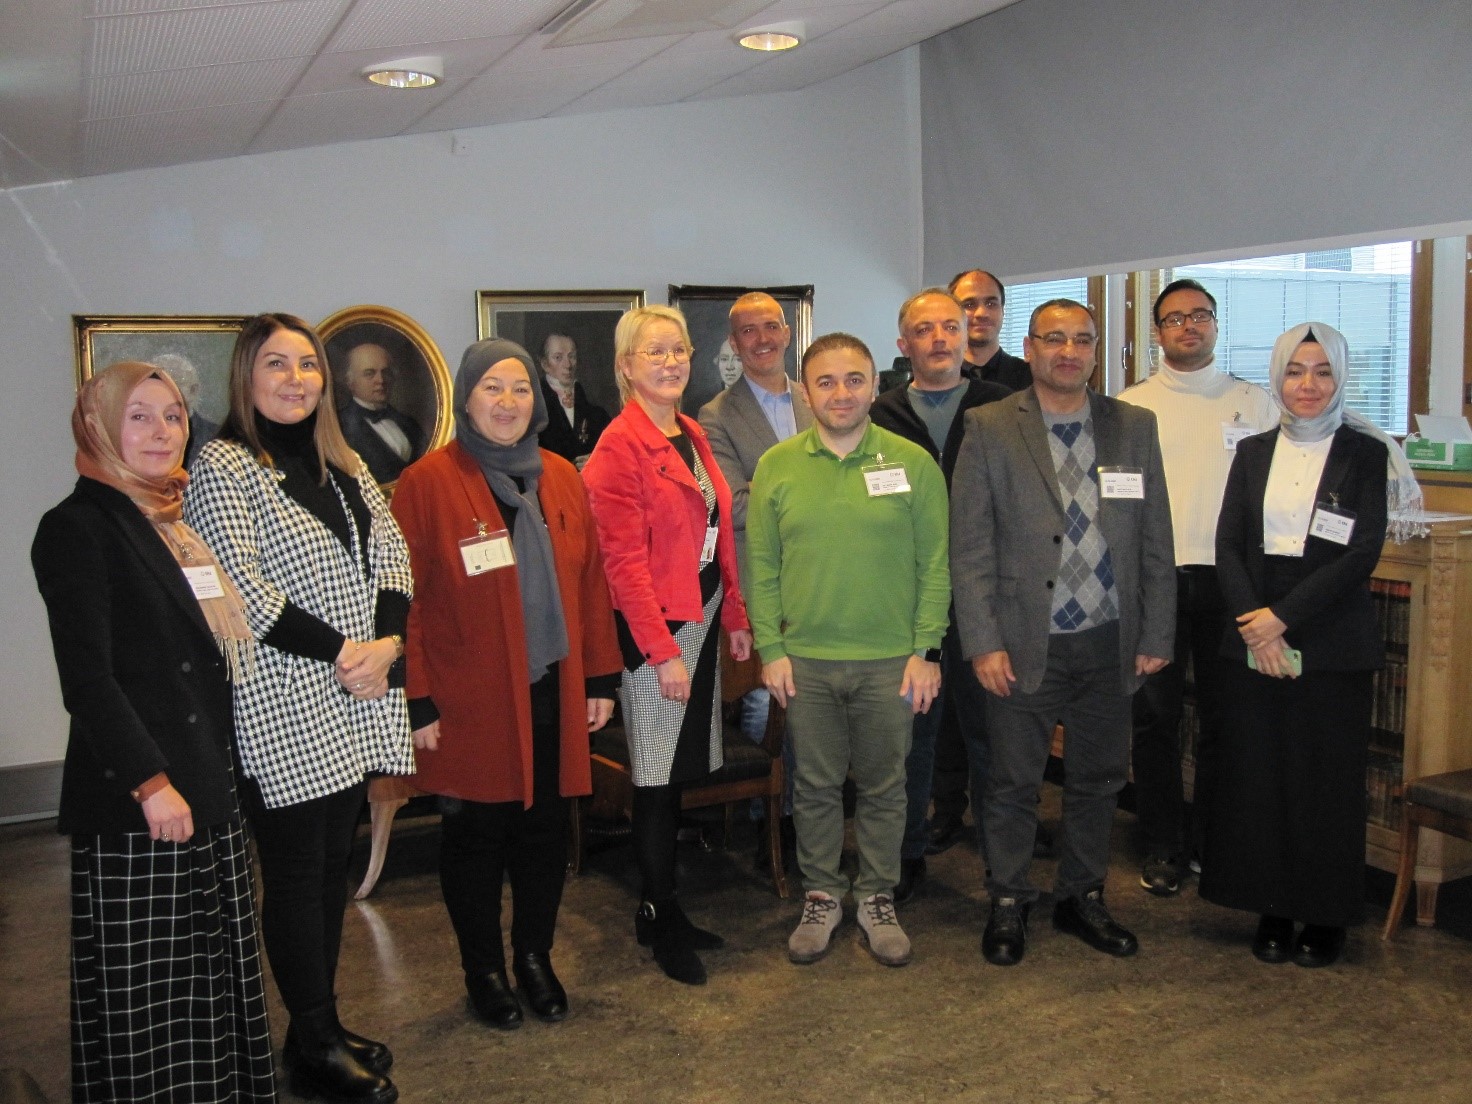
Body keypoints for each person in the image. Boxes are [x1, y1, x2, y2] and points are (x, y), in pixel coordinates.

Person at [184, 313, 413, 1104]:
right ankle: (314, 1041)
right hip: (282, 698)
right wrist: (344, 652)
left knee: (328, 870)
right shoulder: (223, 464)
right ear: (245, 376)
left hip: (358, 692)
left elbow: (392, 550)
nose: (294, 379)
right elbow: (237, 583)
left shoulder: (338, 458)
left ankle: (315, 1026)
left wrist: (386, 643)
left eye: (307, 365)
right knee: (293, 874)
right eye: (275, 365)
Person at [33, 360, 276, 1103]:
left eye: (172, 416)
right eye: (138, 416)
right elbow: (90, 681)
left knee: (214, 977)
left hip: (207, 781)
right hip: (145, 804)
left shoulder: (172, 522)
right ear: (99, 425)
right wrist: (151, 782)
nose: (160, 432)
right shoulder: (76, 527)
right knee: (154, 995)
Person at [391, 339, 622, 1029]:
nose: (508, 403)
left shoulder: (559, 475)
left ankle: (534, 958)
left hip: (553, 688)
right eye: (492, 387)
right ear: (466, 397)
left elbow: (589, 582)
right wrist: (418, 695)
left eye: (520, 389)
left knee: (545, 837)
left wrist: (601, 678)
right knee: (476, 841)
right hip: (469, 699)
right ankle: (484, 971)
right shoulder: (427, 483)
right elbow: (404, 602)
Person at [951, 299, 1175, 966]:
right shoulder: (990, 425)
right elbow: (969, 547)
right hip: (1022, 642)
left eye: (1083, 340)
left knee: (1099, 779)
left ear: (1096, 350)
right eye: (1055, 339)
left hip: (1109, 639)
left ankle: (1083, 896)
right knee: (1014, 783)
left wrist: (1156, 630)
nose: (1069, 351)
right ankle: (1010, 900)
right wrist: (983, 641)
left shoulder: (1133, 426)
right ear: (1031, 346)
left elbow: (1156, 538)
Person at [1201, 321, 1423, 968]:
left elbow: (1360, 554)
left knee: (1324, 783)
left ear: (1341, 378)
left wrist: (1282, 621)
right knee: (1260, 779)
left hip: (1329, 640)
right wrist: (1253, 620)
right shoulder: (1252, 453)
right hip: (1252, 634)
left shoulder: (1365, 454)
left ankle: (1325, 916)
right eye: (1296, 370)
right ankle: (1271, 906)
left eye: (1322, 371)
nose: (1308, 384)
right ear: (1277, 376)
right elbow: (1227, 545)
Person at [748, 333, 949, 969]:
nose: (841, 393)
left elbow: (934, 565)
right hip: (804, 658)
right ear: (807, 391)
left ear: (874, 384)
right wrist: (771, 648)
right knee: (813, 784)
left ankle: (876, 896)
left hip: (891, 660)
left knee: (888, 785)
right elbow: (761, 567)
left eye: (854, 380)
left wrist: (926, 650)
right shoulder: (777, 465)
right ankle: (821, 895)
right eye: (827, 382)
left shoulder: (912, 463)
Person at [582, 305, 753, 986]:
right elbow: (620, 566)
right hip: (657, 630)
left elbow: (716, 532)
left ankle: (668, 906)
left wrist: (734, 612)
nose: (671, 361)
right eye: (654, 351)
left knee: (680, 772)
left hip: (703, 617)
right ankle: (655, 914)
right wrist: (661, 652)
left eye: (678, 349)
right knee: (655, 779)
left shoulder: (688, 431)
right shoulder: (617, 450)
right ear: (626, 367)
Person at [1118, 279, 1278, 895]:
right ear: (1156, 332)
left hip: (1233, 585)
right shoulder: (1131, 406)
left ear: (1215, 324)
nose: (1189, 326)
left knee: (1226, 720)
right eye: (1175, 318)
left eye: (1200, 316)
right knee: (1154, 720)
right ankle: (1162, 844)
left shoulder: (1255, 403)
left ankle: (1214, 841)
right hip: (1153, 580)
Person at [870, 288, 1009, 903]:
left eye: (948, 326)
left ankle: (1005, 860)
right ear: (904, 345)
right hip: (907, 599)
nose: (939, 339)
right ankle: (905, 854)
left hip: (988, 598)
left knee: (993, 732)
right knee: (911, 735)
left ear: (967, 333)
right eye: (923, 330)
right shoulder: (878, 415)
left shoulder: (1003, 407)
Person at [697, 291, 812, 867]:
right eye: (748, 331)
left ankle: (803, 815)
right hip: (762, 583)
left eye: (771, 326)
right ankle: (767, 822)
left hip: (824, 585)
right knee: (765, 702)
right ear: (734, 342)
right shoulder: (715, 417)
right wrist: (822, 497)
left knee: (814, 708)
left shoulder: (819, 397)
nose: (762, 338)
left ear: (787, 332)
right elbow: (734, 503)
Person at [928, 269, 1033, 852]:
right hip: (929, 575)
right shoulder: (902, 398)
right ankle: (947, 808)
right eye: (968, 304)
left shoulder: (1019, 386)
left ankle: (1005, 824)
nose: (979, 313)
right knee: (941, 708)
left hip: (999, 572)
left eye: (990, 303)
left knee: (998, 708)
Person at [336, 341, 428, 484]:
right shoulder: (338, 427)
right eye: (369, 374)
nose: (380, 380)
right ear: (350, 381)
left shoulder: (410, 424)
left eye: (385, 372)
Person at [948, 269, 1033, 392]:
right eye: (969, 305)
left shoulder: (1031, 378)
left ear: (1003, 311)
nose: (982, 313)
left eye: (991, 304)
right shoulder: (937, 378)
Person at [537, 331, 612, 465]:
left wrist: (595, 461)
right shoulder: (534, 410)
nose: (568, 365)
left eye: (571, 356)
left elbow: (612, 454)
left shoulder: (596, 414)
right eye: (558, 357)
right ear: (545, 364)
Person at [154, 351, 221, 468]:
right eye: (158, 385)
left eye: (176, 384)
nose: (164, 394)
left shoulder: (218, 437)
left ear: (193, 390)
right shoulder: (134, 435)